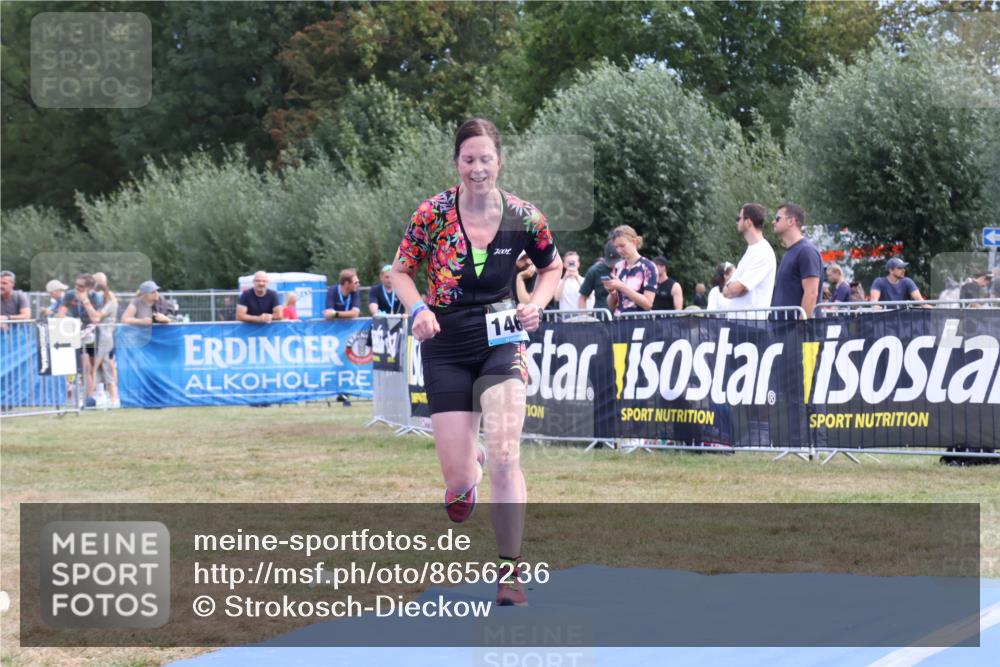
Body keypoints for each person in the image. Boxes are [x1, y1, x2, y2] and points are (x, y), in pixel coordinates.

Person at [390, 117, 561, 607]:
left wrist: (538, 304)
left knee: (509, 452)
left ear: (499, 161)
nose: (478, 168)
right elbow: (400, 271)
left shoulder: (525, 217)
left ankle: (510, 572)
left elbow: (551, 267)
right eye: (469, 159)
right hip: (444, 341)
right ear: (456, 163)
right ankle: (471, 468)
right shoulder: (433, 214)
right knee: (459, 484)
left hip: (503, 337)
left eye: (486, 158)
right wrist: (417, 308)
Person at [57, 274, 106, 406]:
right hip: (71, 333)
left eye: (81, 286)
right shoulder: (69, 295)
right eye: (76, 285)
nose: (77, 288)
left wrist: (85, 301)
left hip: (90, 334)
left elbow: (96, 318)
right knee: (71, 367)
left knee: (88, 367)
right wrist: (68, 321)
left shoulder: (97, 297)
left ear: (89, 287)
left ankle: (89, 398)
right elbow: (60, 314)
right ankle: (70, 398)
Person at [723, 203, 776, 319]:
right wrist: (736, 288)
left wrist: (736, 288)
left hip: (751, 323)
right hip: (738, 321)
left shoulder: (763, 252)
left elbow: (734, 288)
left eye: (739, 218)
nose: (737, 222)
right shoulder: (751, 250)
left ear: (748, 222)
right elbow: (726, 291)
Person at [770, 203, 821, 319]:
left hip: (798, 331)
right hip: (783, 329)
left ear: (791, 221)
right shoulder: (790, 252)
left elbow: (811, 293)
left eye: (777, 219)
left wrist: (800, 327)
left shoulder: (806, 251)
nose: (773, 222)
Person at [605, 225, 656, 315]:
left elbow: (648, 304)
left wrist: (622, 287)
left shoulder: (648, 266)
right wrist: (612, 292)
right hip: (619, 321)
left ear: (634, 242)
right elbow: (611, 305)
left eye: (622, 245)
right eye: (616, 247)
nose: (619, 250)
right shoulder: (618, 267)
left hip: (639, 321)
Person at [92, 281, 120, 408]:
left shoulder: (110, 304)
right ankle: (102, 396)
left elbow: (97, 317)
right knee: (100, 367)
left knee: (105, 366)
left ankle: (114, 398)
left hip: (106, 337)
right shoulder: (104, 304)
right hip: (100, 336)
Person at [578, 240, 617, 311]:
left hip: (623, 317)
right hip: (601, 316)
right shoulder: (594, 271)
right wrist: (583, 318)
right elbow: (582, 297)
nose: (613, 265)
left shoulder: (628, 268)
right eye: (610, 261)